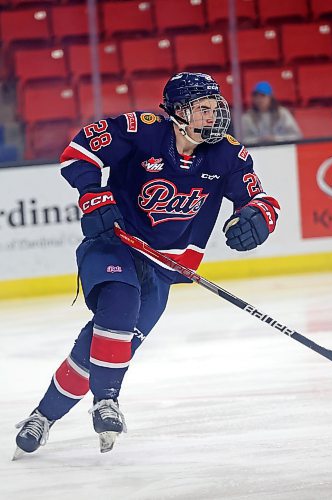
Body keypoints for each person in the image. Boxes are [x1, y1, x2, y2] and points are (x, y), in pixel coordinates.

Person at [14, 72, 280, 457]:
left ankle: (43, 416)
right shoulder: (143, 131)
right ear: (177, 112)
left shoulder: (228, 154)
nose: (214, 115)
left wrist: (256, 219)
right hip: (114, 244)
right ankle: (107, 400)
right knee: (119, 307)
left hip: (163, 268)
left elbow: (261, 199)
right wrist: (93, 193)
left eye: (215, 107)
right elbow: (80, 149)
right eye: (203, 109)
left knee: (102, 348)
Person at [241, 81, 302, 145]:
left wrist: (276, 139)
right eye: (256, 96)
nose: (259, 99)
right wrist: (259, 140)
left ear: (270, 97)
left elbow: (296, 136)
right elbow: (244, 140)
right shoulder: (247, 117)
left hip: (282, 150)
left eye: (263, 96)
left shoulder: (282, 113)